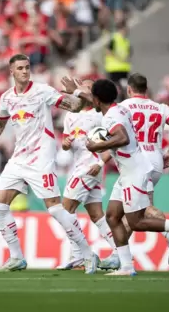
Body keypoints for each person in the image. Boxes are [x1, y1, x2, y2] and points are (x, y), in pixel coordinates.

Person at [0, 54, 99, 273]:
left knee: (55, 209)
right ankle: (16, 257)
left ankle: (88, 254)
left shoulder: (43, 91)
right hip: (18, 158)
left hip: (41, 159)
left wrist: (76, 92)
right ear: (11, 71)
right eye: (20, 68)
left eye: (27, 67)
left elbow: (75, 107)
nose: (25, 71)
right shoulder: (7, 98)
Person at [86, 79, 169, 276]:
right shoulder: (122, 109)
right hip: (137, 166)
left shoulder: (115, 113)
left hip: (135, 171)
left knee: (136, 221)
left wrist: (96, 146)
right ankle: (126, 266)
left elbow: (122, 137)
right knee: (113, 216)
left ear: (97, 100)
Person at [119, 73, 169, 266]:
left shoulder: (124, 107)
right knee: (130, 211)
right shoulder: (160, 107)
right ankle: (119, 254)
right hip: (156, 160)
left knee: (143, 209)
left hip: (137, 161)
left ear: (129, 90)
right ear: (146, 90)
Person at [56, 78, 120, 271]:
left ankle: (81, 255)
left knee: (65, 210)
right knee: (97, 215)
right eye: (85, 86)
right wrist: (65, 145)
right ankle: (119, 251)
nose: (86, 89)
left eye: (89, 88)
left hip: (90, 167)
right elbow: (68, 144)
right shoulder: (70, 117)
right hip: (77, 167)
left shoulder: (100, 115)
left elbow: (115, 142)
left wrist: (101, 163)